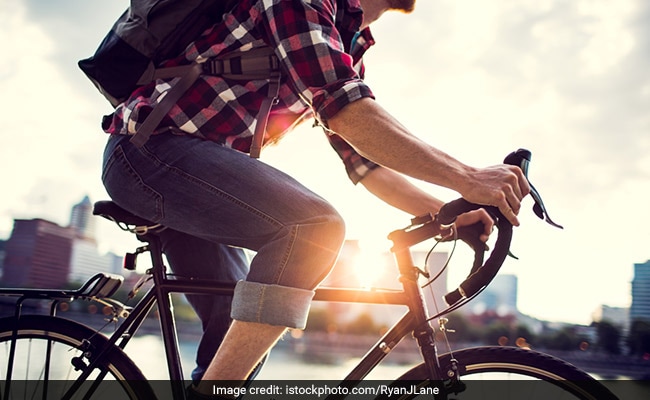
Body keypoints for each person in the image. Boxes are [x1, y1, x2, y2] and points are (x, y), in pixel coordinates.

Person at [99, 0, 530, 392]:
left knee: (244, 329)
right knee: (314, 229)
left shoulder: (347, 35)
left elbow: (366, 163)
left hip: (197, 176)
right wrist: (469, 177)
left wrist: (447, 213)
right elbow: (347, 112)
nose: (367, 24)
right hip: (148, 154)